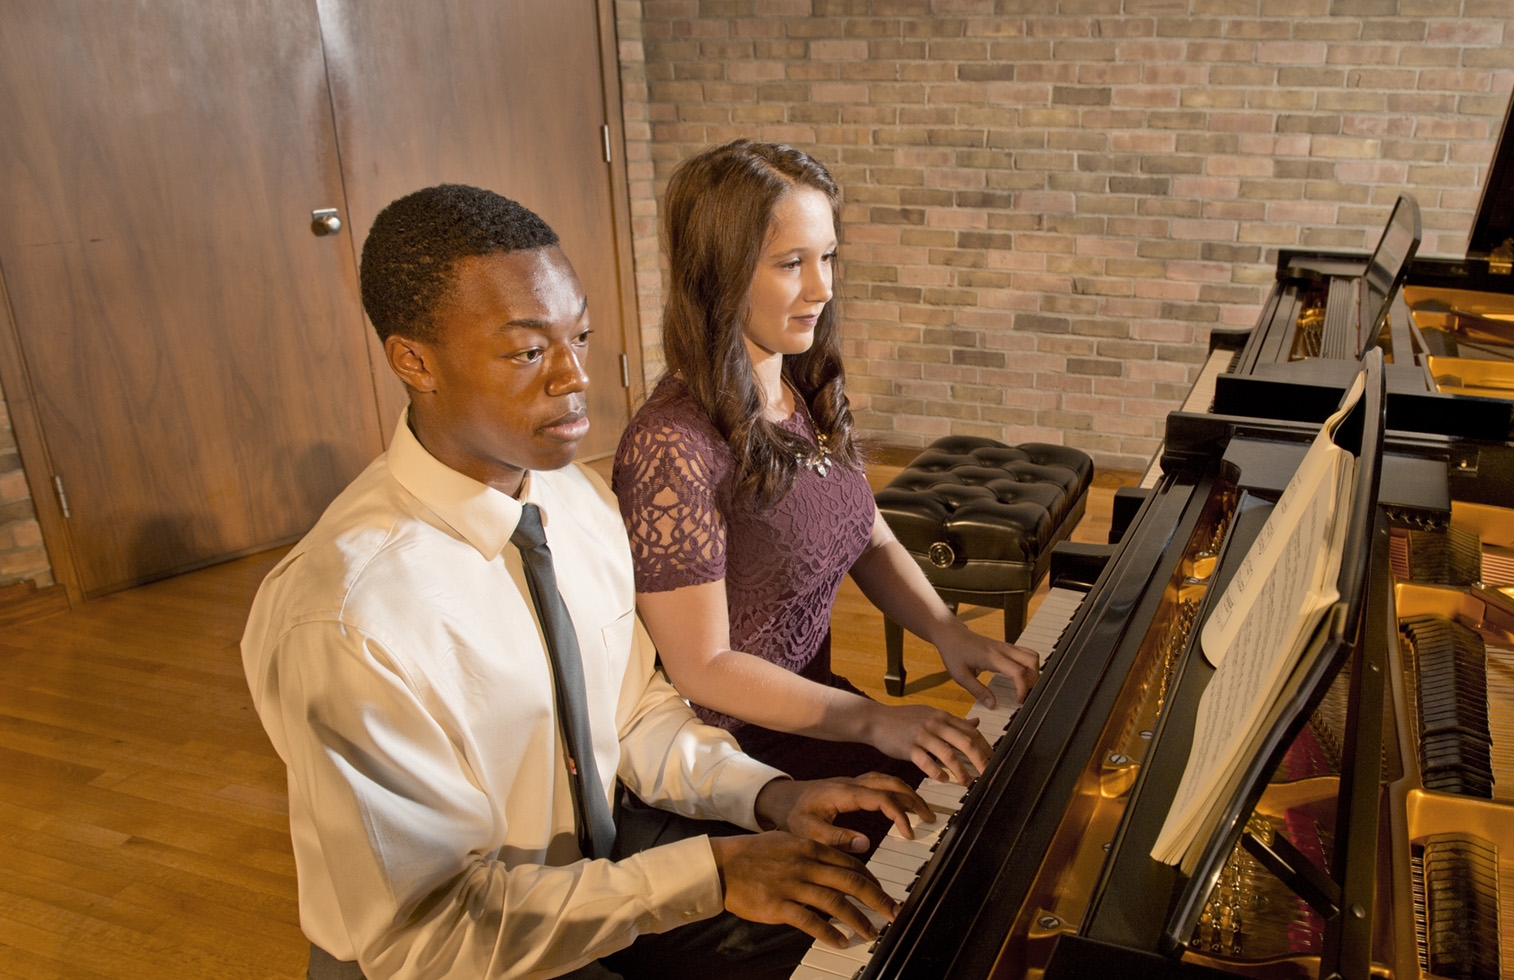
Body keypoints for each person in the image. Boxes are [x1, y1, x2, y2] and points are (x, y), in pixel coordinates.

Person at [241, 183, 931, 980]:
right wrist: (712, 875)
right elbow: (424, 934)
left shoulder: (577, 501)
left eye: (581, 337)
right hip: (460, 957)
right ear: (413, 360)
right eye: (529, 351)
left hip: (597, 883)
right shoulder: (348, 620)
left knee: (872, 916)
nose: (575, 377)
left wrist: (767, 797)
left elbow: (634, 712)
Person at [611, 140, 1040, 793]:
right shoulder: (670, 447)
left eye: (827, 257)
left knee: (992, 790)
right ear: (718, 274)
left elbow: (868, 533)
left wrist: (947, 632)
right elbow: (702, 667)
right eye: (791, 263)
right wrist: (873, 721)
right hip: (734, 764)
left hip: (818, 712)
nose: (823, 287)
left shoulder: (801, 390)